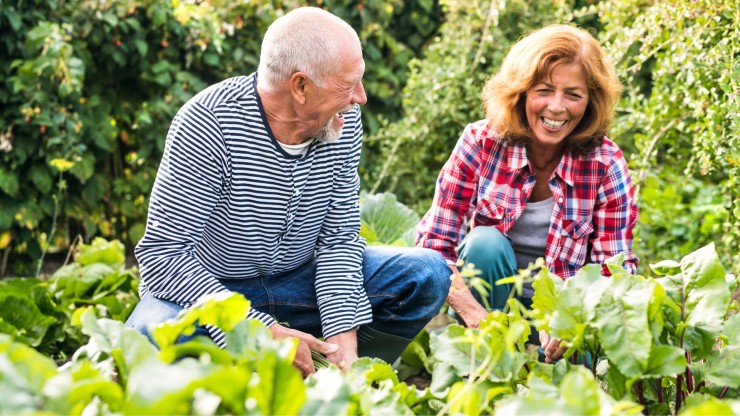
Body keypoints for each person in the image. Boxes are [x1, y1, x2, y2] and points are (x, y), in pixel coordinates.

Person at [125, 7, 451, 377]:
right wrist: (258, 328)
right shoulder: (209, 123)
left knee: (427, 275)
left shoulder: (339, 120)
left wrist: (344, 343)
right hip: (215, 290)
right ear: (300, 86)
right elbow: (163, 256)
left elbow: (338, 241)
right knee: (147, 337)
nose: (360, 97)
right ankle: (255, 366)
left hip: (300, 284)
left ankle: (328, 371)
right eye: (349, 84)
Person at [416, 24, 638, 363]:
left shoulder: (605, 164)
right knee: (485, 243)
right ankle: (484, 364)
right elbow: (433, 247)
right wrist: (476, 317)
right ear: (521, 91)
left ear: (591, 101)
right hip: (489, 308)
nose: (557, 107)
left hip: (564, 319)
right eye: (544, 90)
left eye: (573, 95)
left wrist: (569, 320)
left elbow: (614, 271)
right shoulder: (481, 143)